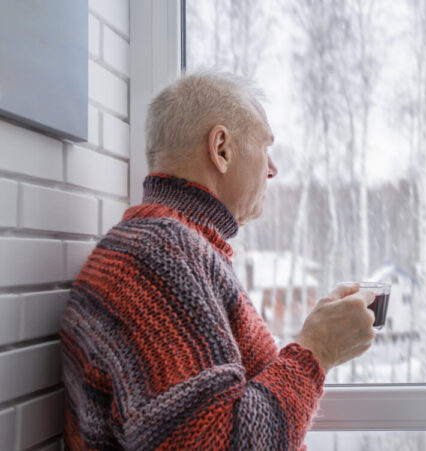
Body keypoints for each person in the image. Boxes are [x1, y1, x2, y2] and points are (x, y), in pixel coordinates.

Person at [60, 70, 376, 450]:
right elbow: (217, 442)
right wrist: (317, 349)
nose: (272, 169)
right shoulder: (158, 258)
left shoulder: (166, 246)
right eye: (265, 147)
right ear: (222, 149)